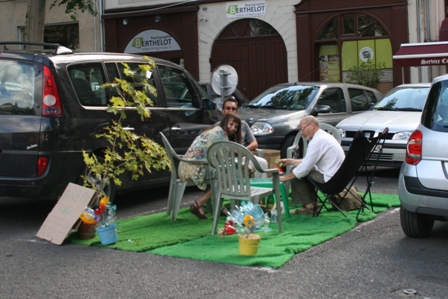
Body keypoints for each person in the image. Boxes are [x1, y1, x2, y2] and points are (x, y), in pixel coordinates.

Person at [178, 113, 242, 219]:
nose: (233, 128)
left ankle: (216, 206)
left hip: (184, 165)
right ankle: (199, 203)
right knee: (226, 176)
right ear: (225, 122)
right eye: (231, 124)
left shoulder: (214, 129)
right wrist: (242, 164)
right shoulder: (221, 135)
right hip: (194, 168)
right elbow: (224, 162)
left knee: (216, 172)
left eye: (236, 127)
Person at [279, 116, 345, 214]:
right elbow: (309, 161)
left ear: (312, 126)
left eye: (302, 128)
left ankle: (310, 206)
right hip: (338, 178)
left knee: (297, 171)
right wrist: (290, 161)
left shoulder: (317, 141)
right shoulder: (324, 136)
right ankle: (312, 204)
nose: (301, 133)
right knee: (300, 169)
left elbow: (304, 168)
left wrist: (285, 178)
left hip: (330, 181)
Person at [221, 97, 269, 178]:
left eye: (233, 109)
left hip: (242, 156)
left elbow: (254, 143)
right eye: (228, 108)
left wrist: (244, 150)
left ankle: (259, 188)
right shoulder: (218, 127)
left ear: (236, 111)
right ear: (223, 111)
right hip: (226, 159)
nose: (231, 111)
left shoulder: (243, 124)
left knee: (262, 162)